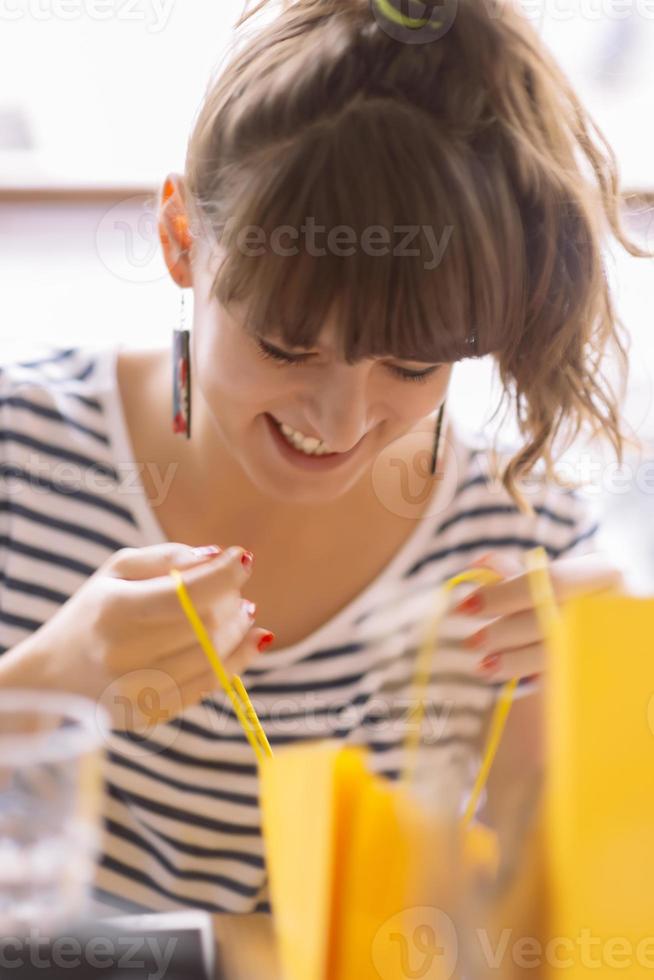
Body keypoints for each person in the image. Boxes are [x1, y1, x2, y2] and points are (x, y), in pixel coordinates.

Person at [0, 0, 638, 916]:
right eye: (287, 347)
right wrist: (41, 687)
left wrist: (616, 703)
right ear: (182, 240)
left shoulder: (516, 543)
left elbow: (530, 932)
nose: (340, 421)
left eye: (414, 365)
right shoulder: (23, 452)